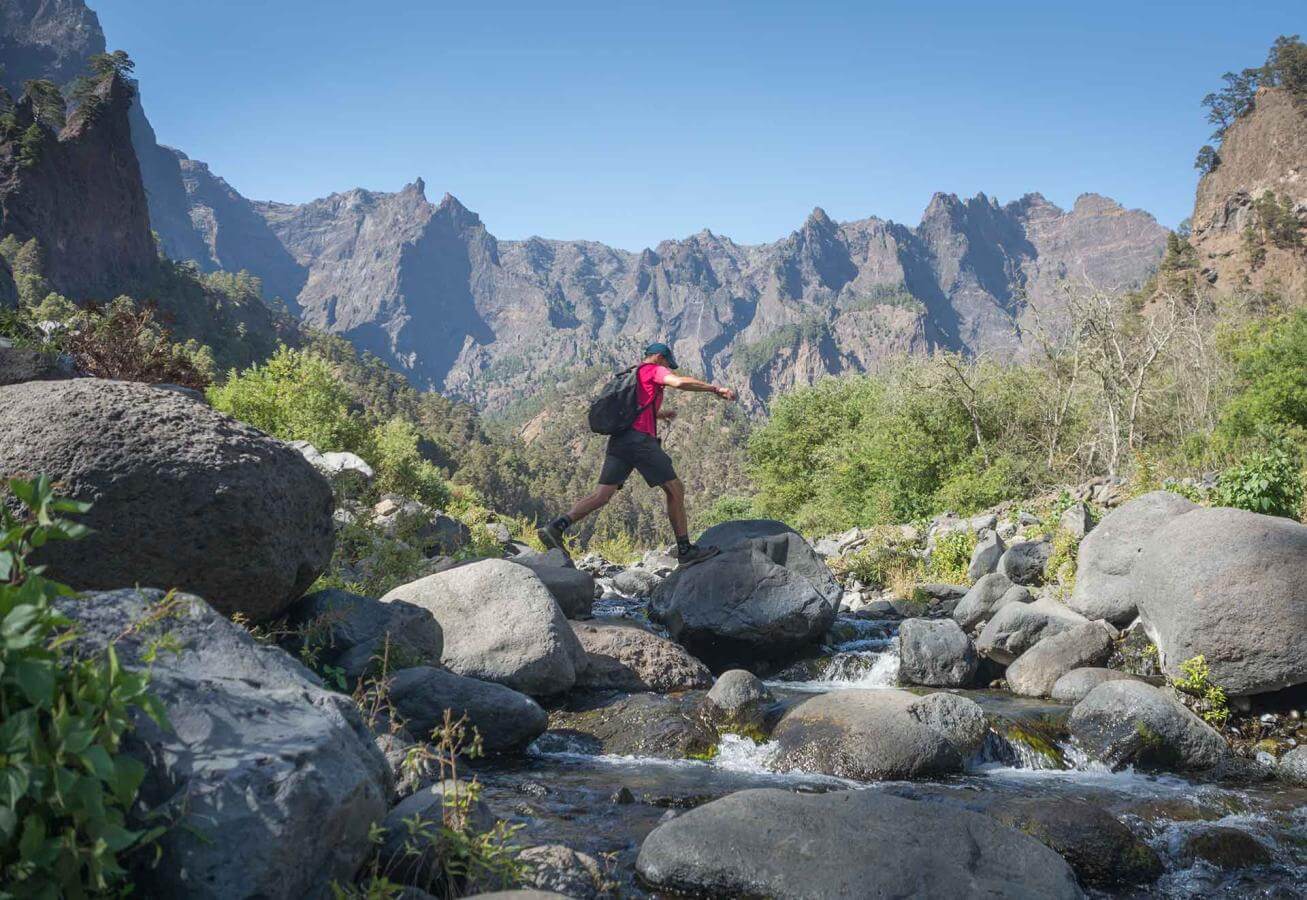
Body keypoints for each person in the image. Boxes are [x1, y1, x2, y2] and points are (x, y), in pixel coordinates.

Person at [538, 341, 737, 564]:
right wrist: (715, 389)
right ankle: (685, 550)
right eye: (667, 363)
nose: (668, 368)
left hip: (619, 440)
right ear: (660, 357)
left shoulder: (633, 374)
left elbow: (635, 408)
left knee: (602, 495)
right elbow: (679, 382)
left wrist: (660, 415)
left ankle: (556, 527)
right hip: (640, 442)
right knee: (675, 489)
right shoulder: (654, 369)